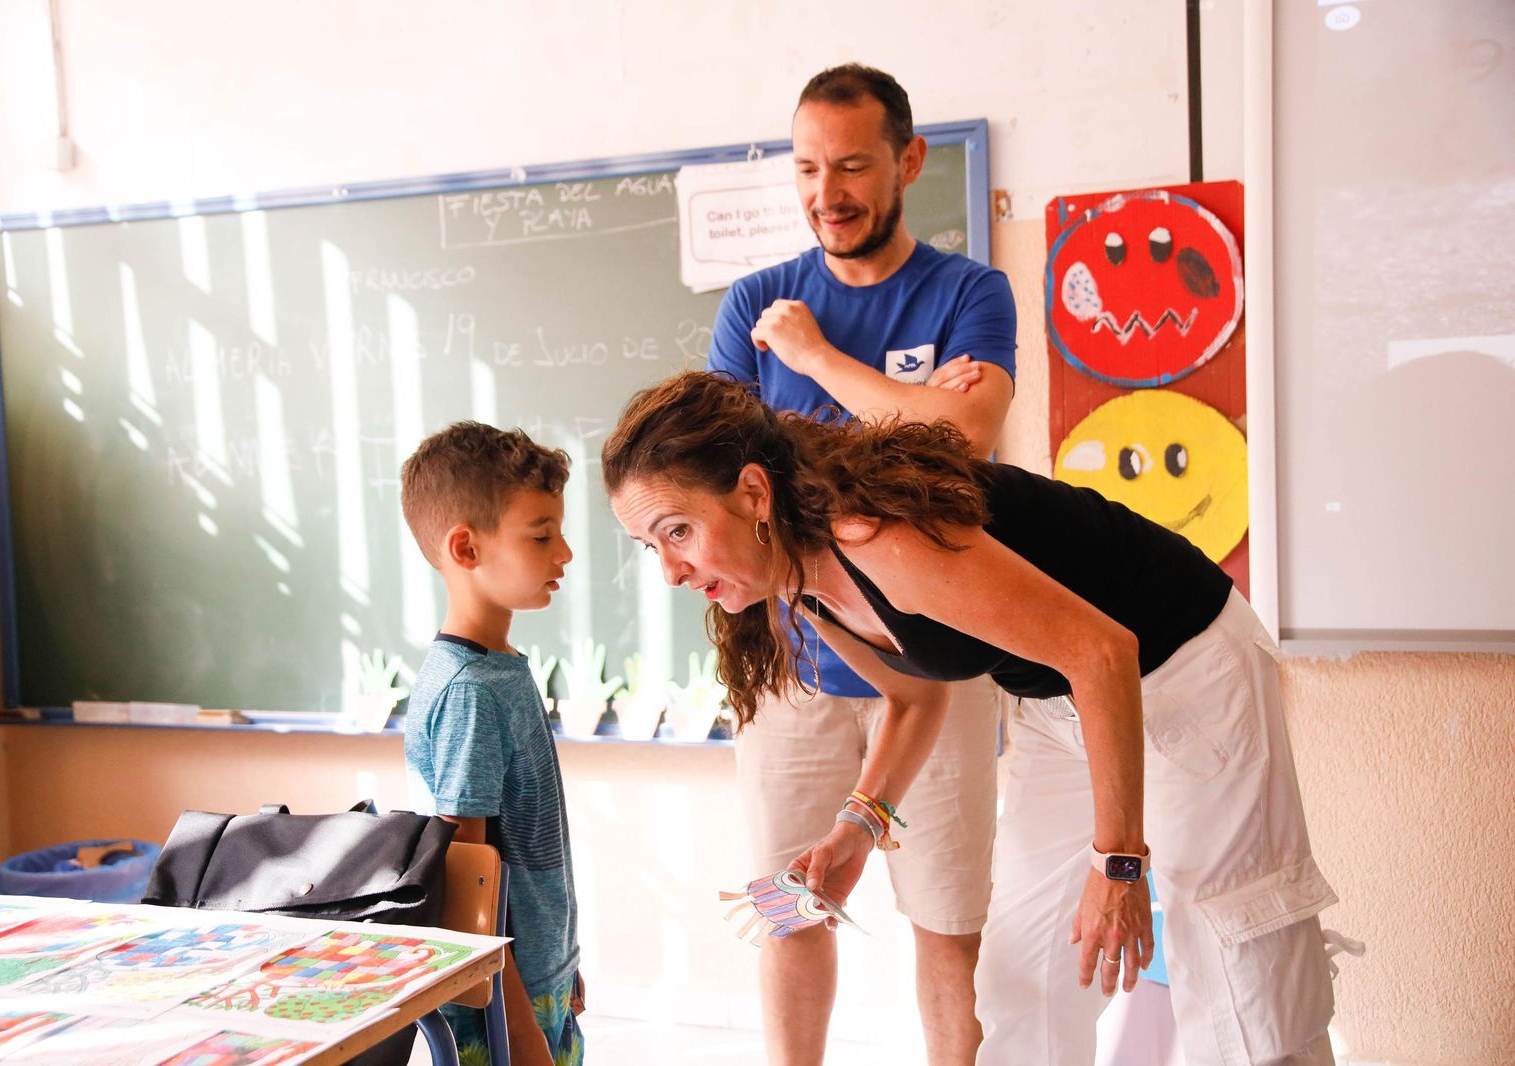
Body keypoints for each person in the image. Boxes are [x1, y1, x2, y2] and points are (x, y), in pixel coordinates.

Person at [603, 371, 1341, 1066]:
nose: (669, 572)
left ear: (753, 494)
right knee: (1022, 967)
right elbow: (915, 697)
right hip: (1062, 700)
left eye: (677, 532)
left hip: (1187, 669)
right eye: (650, 546)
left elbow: (1103, 652)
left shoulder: (877, 539)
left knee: (1234, 956)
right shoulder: (799, 576)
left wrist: (1118, 862)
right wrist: (857, 830)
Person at [706, 63, 1016, 1066]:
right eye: (805, 167)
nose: (824, 193)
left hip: (941, 657)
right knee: (788, 905)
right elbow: (721, 482)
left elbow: (961, 440)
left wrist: (819, 365)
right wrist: (903, 411)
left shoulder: (969, 291)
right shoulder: (753, 300)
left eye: (849, 166)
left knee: (947, 920)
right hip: (789, 666)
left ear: (907, 162)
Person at [400, 423, 584, 1066]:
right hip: (499, 1001)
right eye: (541, 535)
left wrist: (560, 970)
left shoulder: (500, 668)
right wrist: (518, 1018)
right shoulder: (471, 688)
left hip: (535, 979)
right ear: (465, 547)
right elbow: (464, 877)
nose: (563, 553)